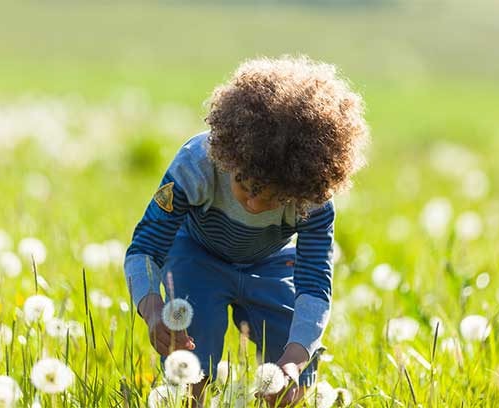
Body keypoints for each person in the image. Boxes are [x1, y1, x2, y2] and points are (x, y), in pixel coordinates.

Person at [124, 55, 369, 406]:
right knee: (191, 360)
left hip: (270, 263)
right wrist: (151, 308)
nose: (253, 204)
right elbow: (146, 247)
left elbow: (315, 285)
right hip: (196, 255)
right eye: (245, 185)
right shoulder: (196, 165)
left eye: (272, 197)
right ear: (229, 159)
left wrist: (294, 360)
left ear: (297, 189)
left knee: (292, 374)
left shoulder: (313, 198)